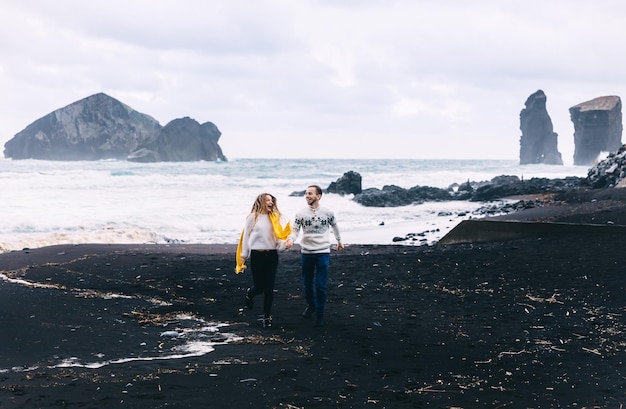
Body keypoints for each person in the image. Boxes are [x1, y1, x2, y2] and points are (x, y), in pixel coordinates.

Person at [285, 185, 343, 327]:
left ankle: (320, 314)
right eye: (306, 194)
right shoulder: (301, 214)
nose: (307, 196)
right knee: (307, 284)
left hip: (323, 252)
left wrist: (339, 241)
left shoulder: (328, 212)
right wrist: (291, 239)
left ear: (319, 196)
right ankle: (311, 305)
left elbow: (335, 226)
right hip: (307, 253)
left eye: (310, 194)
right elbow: (295, 230)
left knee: (321, 286)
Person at [236, 193, 291, 329]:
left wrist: (285, 245)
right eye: (267, 200)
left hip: (272, 256)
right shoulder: (252, 218)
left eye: (271, 200)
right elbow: (246, 237)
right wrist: (244, 255)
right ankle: (250, 294)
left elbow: (278, 239)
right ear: (261, 202)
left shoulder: (275, 218)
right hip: (257, 255)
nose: (270, 203)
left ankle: (266, 317)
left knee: (269, 288)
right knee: (259, 286)